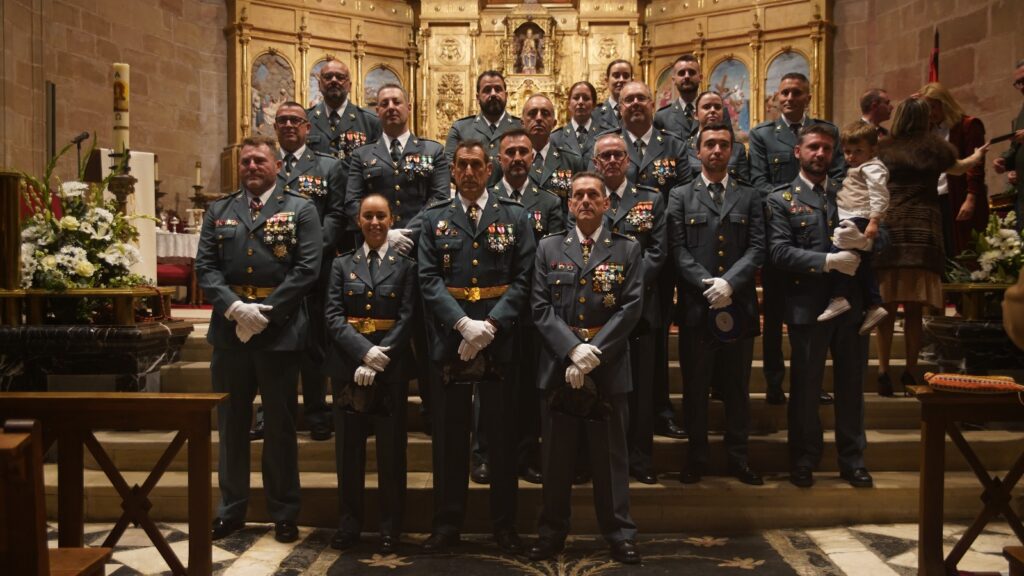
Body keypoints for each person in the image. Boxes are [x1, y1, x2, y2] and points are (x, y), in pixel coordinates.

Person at [196, 135, 323, 543]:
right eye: (246, 161)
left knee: (280, 427)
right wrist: (236, 309)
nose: (252, 167)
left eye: (260, 161)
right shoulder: (219, 210)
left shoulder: (301, 208)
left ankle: (284, 511)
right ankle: (230, 509)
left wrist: (264, 314)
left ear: (277, 166)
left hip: (279, 334)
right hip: (230, 332)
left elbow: (307, 269)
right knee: (231, 425)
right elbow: (205, 267)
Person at [417, 140, 536, 554]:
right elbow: (428, 278)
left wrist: (492, 324)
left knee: (502, 435)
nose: (469, 172)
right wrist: (462, 323)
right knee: (449, 436)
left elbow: (524, 277)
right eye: (462, 165)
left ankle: (505, 525)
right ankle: (447, 524)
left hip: (500, 339)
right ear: (452, 170)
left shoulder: (514, 216)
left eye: (476, 165)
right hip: (451, 338)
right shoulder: (434, 218)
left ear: (489, 170)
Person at [528, 171, 643, 565]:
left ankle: (619, 533)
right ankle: (551, 533)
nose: (586, 201)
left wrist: (594, 352)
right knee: (556, 458)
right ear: (569, 204)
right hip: (559, 366)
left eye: (593, 194)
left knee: (610, 458)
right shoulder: (548, 248)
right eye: (578, 195)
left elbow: (631, 308)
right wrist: (572, 351)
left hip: (607, 367)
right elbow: (540, 308)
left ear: (607, 203)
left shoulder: (627, 249)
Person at [765, 124, 883, 489]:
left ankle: (853, 459)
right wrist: (827, 262)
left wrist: (865, 243)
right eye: (814, 147)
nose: (820, 154)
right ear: (797, 152)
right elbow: (778, 251)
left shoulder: (850, 190)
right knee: (805, 389)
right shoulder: (781, 199)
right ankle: (803, 458)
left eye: (827, 149)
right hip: (809, 305)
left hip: (852, 307)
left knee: (852, 387)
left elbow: (884, 236)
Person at [344, 83, 451, 435]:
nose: (391, 107)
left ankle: (434, 412)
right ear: (376, 110)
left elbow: (439, 200)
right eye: (383, 103)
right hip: (374, 260)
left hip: (421, 257)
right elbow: (351, 203)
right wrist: (384, 235)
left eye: (396, 101)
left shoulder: (433, 151)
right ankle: (375, 408)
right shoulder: (362, 156)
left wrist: (406, 234)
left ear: (409, 106)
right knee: (376, 331)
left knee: (426, 336)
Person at [668, 121, 765, 486]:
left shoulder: (750, 196)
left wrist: (730, 283)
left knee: (737, 389)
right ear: (698, 151)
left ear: (732, 151)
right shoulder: (680, 196)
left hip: (738, 306)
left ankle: (739, 458)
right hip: (698, 308)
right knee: (695, 388)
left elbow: (758, 247)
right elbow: (678, 250)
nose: (717, 150)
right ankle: (697, 457)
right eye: (709, 144)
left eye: (724, 144)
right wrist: (708, 284)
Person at [873, 98, 987, 395]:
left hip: (892, 231)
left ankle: (883, 371)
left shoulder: (883, 150)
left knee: (885, 309)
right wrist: (978, 154)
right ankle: (911, 371)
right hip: (923, 233)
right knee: (914, 311)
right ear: (925, 120)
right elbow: (960, 168)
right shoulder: (936, 149)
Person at [325, 194, 417, 554]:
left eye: (381, 216)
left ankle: (391, 527)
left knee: (392, 453)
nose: (375, 223)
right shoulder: (341, 264)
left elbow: (408, 317)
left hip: (390, 369)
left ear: (392, 220)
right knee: (348, 453)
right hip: (348, 368)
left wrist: (381, 355)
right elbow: (333, 316)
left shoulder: (406, 266)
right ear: (358, 221)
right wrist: (363, 353)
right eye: (368, 216)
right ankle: (349, 524)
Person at [748, 72, 846, 406]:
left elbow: (839, 174)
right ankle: (775, 381)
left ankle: (811, 381)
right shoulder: (763, 134)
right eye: (785, 93)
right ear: (777, 97)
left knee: (815, 314)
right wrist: (793, 201)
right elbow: (758, 181)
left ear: (808, 96)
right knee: (775, 314)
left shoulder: (826, 131)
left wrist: (819, 199)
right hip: (780, 231)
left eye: (796, 92)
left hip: (820, 235)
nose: (790, 98)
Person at [600, 80, 689, 441]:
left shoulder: (674, 145)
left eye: (641, 98)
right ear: (618, 107)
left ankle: (659, 410)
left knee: (654, 344)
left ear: (654, 104)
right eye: (628, 99)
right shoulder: (607, 145)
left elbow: (682, 197)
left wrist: (636, 280)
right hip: (605, 274)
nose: (635, 103)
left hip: (656, 267)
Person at [250, 101, 344, 442]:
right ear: (275, 128)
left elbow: (336, 214)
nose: (289, 125)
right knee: (270, 345)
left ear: (307, 128)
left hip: (315, 272)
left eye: (296, 120)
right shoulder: (264, 164)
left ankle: (318, 412)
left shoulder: (329, 167)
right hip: (273, 271)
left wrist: (311, 250)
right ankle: (269, 413)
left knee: (314, 344)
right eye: (283, 120)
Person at [592, 133, 668, 484]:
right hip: (595, 310)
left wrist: (627, 287)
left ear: (628, 160)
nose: (611, 160)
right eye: (605, 156)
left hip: (639, 312)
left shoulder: (650, 200)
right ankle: (595, 459)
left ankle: (639, 458)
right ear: (595, 163)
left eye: (617, 155)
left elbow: (658, 252)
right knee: (597, 387)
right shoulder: (586, 196)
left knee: (640, 391)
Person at [491, 127, 565, 485]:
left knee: (530, 389)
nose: (518, 158)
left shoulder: (549, 203)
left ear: (533, 157)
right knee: (492, 390)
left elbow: (553, 255)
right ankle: (487, 455)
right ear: (499, 158)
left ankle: (527, 454)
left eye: (523, 152)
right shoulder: (487, 199)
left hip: (534, 309)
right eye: (511, 152)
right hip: (495, 308)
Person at [816, 121, 889, 337]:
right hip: (854, 215)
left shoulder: (872, 167)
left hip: (860, 217)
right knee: (861, 263)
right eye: (847, 151)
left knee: (840, 254)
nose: (851, 156)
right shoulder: (856, 168)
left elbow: (880, 194)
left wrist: (874, 220)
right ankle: (874, 304)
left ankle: (839, 297)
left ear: (873, 150)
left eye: (858, 151)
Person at [920, 82, 988, 257]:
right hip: (934, 198)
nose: (930, 113)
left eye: (933, 107)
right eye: (925, 109)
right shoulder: (928, 130)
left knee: (963, 250)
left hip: (959, 195)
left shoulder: (968, 125)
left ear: (945, 103)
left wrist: (971, 198)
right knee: (941, 252)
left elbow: (975, 166)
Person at [444, 70, 523, 188]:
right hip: (471, 195)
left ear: (506, 95)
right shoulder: (460, 128)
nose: (493, 94)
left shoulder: (521, 127)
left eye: (498, 89)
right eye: (487, 90)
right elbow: (450, 167)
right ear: (477, 97)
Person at [306, 58, 382, 159]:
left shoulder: (370, 122)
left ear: (350, 86)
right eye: (328, 77)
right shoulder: (305, 119)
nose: (334, 80)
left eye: (340, 77)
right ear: (319, 85)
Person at [523, 94, 586, 214]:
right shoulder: (513, 160)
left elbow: (579, 205)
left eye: (545, 114)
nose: (539, 118)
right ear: (522, 122)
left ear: (554, 123)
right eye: (532, 113)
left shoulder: (572, 160)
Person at [653, 54, 730, 140]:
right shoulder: (662, 116)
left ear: (700, 78)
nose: (687, 76)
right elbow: (657, 147)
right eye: (682, 73)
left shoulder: (719, 112)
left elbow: (730, 145)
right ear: (674, 80)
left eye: (691, 72)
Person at [683, 91, 750, 182]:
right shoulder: (684, 148)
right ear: (696, 114)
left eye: (717, 107)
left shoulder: (737, 149)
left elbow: (744, 186)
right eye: (706, 107)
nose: (712, 110)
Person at [994, 60, 1024, 226]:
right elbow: (1016, 147)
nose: (1022, 87)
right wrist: (1004, 161)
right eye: (1018, 83)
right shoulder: (1021, 113)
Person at [550, 81, 599, 166]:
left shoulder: (604, 135)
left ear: (594, 104)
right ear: (568, 104)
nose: (580, 102)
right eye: (576, 98)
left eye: (586, 98)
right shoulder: (556, 138)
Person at [591, 60, 634, 134]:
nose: (621, 80)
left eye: (626, 76)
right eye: (616, 76)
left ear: (632, 81)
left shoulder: (640, 112)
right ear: (607, 80)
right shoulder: (594, 114)